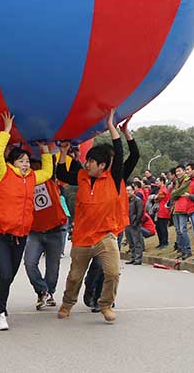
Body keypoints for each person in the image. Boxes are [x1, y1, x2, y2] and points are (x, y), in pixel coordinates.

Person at [57, 109, 138, 322]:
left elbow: (125, 155)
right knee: (75, 277)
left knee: (112, 273)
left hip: (106, 235)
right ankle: (67, 303)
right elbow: (62, 174)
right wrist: (63, 153)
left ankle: (105, 304)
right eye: (87, 160)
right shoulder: (82, 176)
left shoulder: (114, 177)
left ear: (102, 165)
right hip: (83, 237)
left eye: (91, 161)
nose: (87, 163)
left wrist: (114, 128)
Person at [0, 114, 52, 331]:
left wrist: (44, 151)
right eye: (21, 160)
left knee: (9, 275)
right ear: (12, 163)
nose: (25, 163)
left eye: (26, 160)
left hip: (20, 235)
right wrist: (6, 129)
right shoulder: (2, 173)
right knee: (5, 273)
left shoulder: (32, 177)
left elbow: (48, 172)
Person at [24, 151, 68, 310]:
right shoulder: (24, 181)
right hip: (34, 232)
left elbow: (52, 165)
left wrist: (46, 149)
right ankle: (43, 291)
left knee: (52, 268)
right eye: (31, 163)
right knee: (29, 263)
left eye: (38, 164)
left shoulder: (49, 177)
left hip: (54, 231)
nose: (34, 167)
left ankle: (48, 292)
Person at [169, 166, 191, 257]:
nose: (178, 173)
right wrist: (175, 193)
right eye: (176, 171)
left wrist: (175, 193)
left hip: (183, 207)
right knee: (178, 230)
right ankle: (181, 249)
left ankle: (187, 250)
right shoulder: (177, 182)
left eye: (179, 171)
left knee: (183, 229)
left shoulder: (187, 180)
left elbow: (179, 191)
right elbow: (173, 194)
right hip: (176, 207)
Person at [154, 174, 171, 249]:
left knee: (163, 227)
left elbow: (157, 198)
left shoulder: (164, 190)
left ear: (162, 181)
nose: (156, 183)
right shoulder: (161, 189)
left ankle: (165, 242)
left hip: (163, 211)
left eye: (157, 181)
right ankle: (161, 242)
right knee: (158, 227)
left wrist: (156, 197)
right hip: (160, 211)